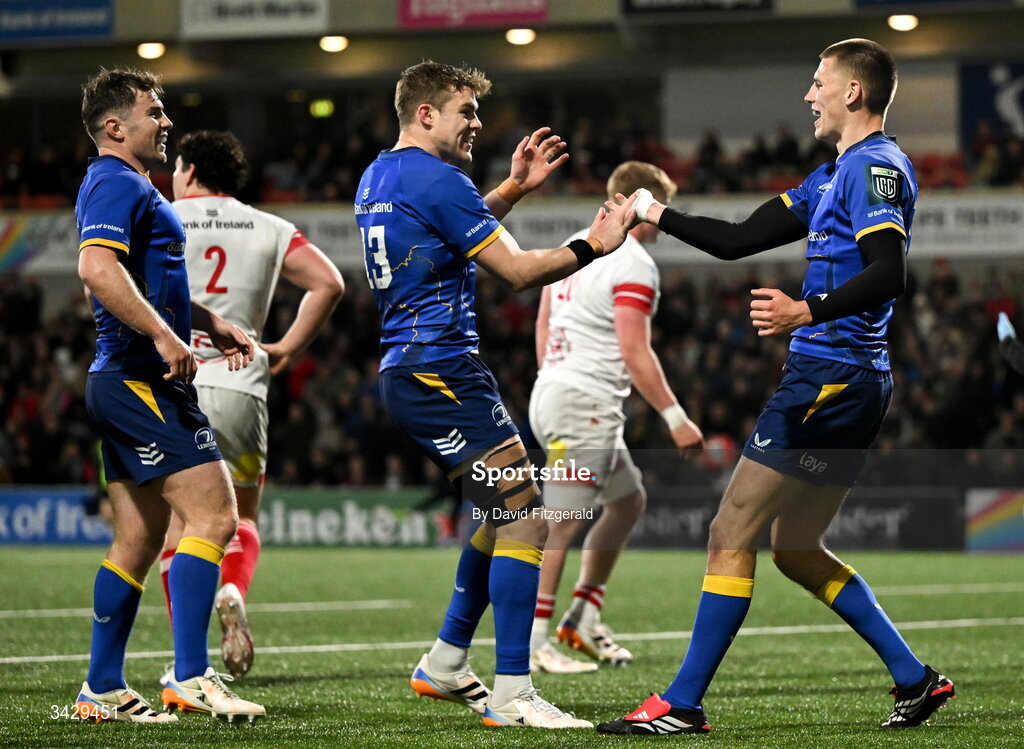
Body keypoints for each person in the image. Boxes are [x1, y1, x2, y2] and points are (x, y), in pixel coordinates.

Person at [598, 39, 954, 735]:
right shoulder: (832, 177)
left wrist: (804, 310)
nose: (808, 94)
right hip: (849, 383)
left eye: (818, 82)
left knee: (729, 529)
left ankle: (681, 702)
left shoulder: (875, 167)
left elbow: (890, 272)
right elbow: (735, 240)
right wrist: (652, 209)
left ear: (853, 92)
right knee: (793, 547)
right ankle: (916, 679)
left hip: (830, 377)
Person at [357, 61, 637, 730]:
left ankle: (448, 659)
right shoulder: (439, 178)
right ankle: (514, 691)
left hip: (413, 365)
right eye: (465, 111)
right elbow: (514, 271)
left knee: (498, 510)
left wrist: (512, 187)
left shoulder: (382, 173)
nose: (477, 123)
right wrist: (594, 244)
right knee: (525, 519)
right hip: (441, 369)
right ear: (425, 114)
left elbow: (451, 231)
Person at [74, 68, 265, 723]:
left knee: (137, 537)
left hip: (125, 377)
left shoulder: (131, 186)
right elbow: (95, 269)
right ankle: (190, 674)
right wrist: (161, 335)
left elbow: (146, 280)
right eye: (153, 112)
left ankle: (100, 687)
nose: (166, 122)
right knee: (216, 515)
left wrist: (208, 321)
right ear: (113, 127)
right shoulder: (112, 179)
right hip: (140, 380)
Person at [158, 130, 344, 678]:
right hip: (241, 386)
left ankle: (185, 663)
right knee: (242, 517)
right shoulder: (270, 226)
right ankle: (234, 587)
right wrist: (285, 346)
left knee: (180, 527)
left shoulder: (164, 217)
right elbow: (329, 283)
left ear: (188, 170)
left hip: (177, 381)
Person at [527, 161, 704, 675]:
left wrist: (555, 381)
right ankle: (535, 642)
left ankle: (582, 617)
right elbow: (635, 350)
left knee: (627, 502)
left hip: (556, 392)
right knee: (561, 524)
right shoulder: (634, 261)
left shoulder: (577, 241)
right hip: (584, 405)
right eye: (659, 208)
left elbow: (543, 324)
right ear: (641, 204)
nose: (662, 220)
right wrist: (675, 417)